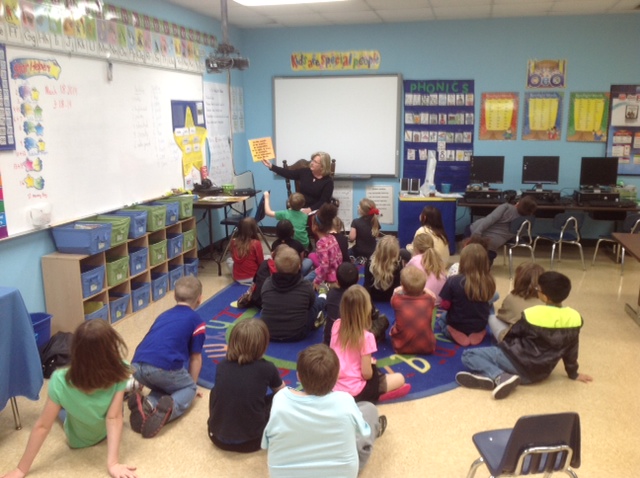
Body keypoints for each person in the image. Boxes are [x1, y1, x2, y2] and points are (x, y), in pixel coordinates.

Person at [2, 319, 137, 478]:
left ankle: (65, 402)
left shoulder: (59, 379)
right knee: (115, 405)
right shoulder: (120, 368)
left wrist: (21, 469)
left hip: (78, 440)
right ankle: (129, 389)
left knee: (62, 408)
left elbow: (43, 426)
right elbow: (114, 418)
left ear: (74, 350)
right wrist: (113, 464)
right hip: (107, 431)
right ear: (112, 347)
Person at [456, 271, 593, 399]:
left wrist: (501, 350)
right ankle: (494, 377)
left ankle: (499, 376)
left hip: (516, 362)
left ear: (544, 296)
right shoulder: (575, 318)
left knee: (469, 355)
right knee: (492, 356)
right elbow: (572, 349)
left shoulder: (532, 314)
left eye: (538, 289)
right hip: (539, 374)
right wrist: (573, 373)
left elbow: (512, 335)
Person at [262, 344, 386, 478]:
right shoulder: (345, 401)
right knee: (369, 410)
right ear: (337, 377)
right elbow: (364, 431)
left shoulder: (280, 400)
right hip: (340, 474)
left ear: (298, 376)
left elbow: (266, 443)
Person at [129, 276, 205, 438]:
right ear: (200, 299)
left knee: (163, 386)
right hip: (162, 368)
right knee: (188, 388)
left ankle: (148, 405)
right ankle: (168, 412)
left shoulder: (163, 315)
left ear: (174, 296)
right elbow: (196, 358)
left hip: (136, 367)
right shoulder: (197, 321)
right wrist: (192, 384)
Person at [208, 319, 285, 452]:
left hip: (215, 437)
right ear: (263, 346)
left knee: (215, 391)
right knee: (278, 398)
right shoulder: (267, 368)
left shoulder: (222, 366)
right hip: (253, 442)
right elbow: (282, 392)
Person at [330, 285, 410, 402]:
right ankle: (378, 394)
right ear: (366, 310)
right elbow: (367, 374)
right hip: (356, 391)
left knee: (378, 372)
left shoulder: (336, 325)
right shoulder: (367, 337)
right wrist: (371, 365)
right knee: (400, 378)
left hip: (333, 387)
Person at [260, 245, 327, 342]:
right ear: (299, 266)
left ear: (275, 266)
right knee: (316, 304)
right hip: (298, 333)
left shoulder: (267, 283)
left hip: (268, 332)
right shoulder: (305, 285)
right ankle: (323, 296)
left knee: (264, 310)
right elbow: (310, 305)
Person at [438, 244, 496, 347]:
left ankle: (452, 331)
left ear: (463, 261)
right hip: (479, 323)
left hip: (457, 323)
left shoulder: (453, 281)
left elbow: (444, 305)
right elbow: (490, 298)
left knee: (442, 318)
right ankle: (480, 332)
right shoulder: (489, 281)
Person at [468, 195, 537, 264]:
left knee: (469, 231)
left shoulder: (506, 207)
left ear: (519, 203)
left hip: (476, 232)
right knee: (484, 264)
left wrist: (477, 232)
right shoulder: (528, 219)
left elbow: (490, 219)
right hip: (494, 244)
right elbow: (519, 234)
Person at [261, 152, 334, 213]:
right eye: (312, 160)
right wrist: (271, 166)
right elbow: (287, 173)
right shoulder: (305, 172)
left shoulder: (328, 181)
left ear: (322, 166)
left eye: (315, 162)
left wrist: (309, 210)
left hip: (318, 211)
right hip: (300, 207)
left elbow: (324, 202)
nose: (311, 163)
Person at [489, 263, 545, 342]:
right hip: (541, 343)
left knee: (491, 318)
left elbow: (502, 317)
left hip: (517, 344)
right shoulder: (548, 300)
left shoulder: (511, 298)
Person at [390, 265, 437, 355]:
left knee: (394, 325)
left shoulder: (397, 300)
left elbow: (393, 299)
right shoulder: (429, 299)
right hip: (428, 347)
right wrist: (425, 289)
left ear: (402, 286)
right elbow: (433, 296)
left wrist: (399, 289)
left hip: (400, 347)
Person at [307, 203, 343, 288]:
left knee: (304, 282)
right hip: (337, 273)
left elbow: (324, 266)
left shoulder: (321, 244)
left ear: (315, 227)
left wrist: (317, 281)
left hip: (329, 278)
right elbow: (339, 256)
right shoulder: (332, 237)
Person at [324, 262, 360, 345]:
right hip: (354, 340)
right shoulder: (362, 296)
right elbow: (371, 315)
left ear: (336, 281)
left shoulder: (331, 293)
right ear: (358, 279)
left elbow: (327, 308)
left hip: (331, 339)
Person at [406, 233, 447, 304]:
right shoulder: (438, 260)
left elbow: (404, 278)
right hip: (440, 302)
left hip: (424, 303)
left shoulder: (414, 260)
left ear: (415, 248)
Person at [363, 235, 403, 303]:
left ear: (378, 248)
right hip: (390, 296)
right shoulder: (398, 264)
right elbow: (397, 285)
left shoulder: (370, 263)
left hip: (373, 296)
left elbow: (367, 284)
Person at [227, 217, 265, 285]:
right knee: (268, 258)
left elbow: (233, 258)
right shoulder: (256, 243)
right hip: (253, 277)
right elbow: (261, 262)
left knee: (229, 260)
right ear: (254, 229)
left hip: (237, 278)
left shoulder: (233, 242)